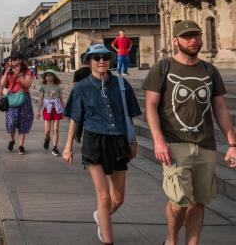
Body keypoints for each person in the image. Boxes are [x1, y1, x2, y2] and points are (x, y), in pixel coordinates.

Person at [142, 21, 236, 245]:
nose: (193, 40)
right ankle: (171, 240)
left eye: (196, 35)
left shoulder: (210, 70)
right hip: (175, 144)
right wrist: (158, 140)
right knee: (178, 198)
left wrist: (232, 143)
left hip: (206, 144)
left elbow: (220, 108)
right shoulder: (162, 68)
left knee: (199, 201)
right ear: (175, 41)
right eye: (187, 36)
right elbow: (150, 107)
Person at [63, 44, 141, 245]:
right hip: (94, 141)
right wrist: (68, 146)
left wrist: (133, 140)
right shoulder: (81, 87)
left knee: (118, 198)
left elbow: (128, 116)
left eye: (105, 57)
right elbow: (75, 119)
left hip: (118, 140)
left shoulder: (122, 85)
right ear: (89, 61)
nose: (101, 61)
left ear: (110, 60)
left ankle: (101, 216)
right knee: (104, 197)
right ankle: (108, 240)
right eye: (96, 58)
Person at [0, 52, 34, 154]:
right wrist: (6, 72)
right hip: (11, 99)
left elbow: (27, 84)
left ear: (20, 60)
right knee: (11, 122)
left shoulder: (26, 71)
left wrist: (19, 75)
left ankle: (21, 146)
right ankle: (12, 140)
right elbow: (2, 84)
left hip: (24, 99)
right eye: (11, 59)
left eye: (14, 59)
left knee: (22, 122)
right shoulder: (8, 71)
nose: (12, 61)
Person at [36, 69, 64, 156]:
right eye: (47, 75)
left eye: (51, 75)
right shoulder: (43, 87)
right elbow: (40, 99)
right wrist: (38, 111)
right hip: (47, 109)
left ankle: (55, 148)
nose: (49, 77)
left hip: (57, 109)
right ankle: (47, 139)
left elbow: (62, 99)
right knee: (47, 130)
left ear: (54, 76)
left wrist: (65, 110)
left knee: (55, 129)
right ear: (45, 77)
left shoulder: (58, 87)